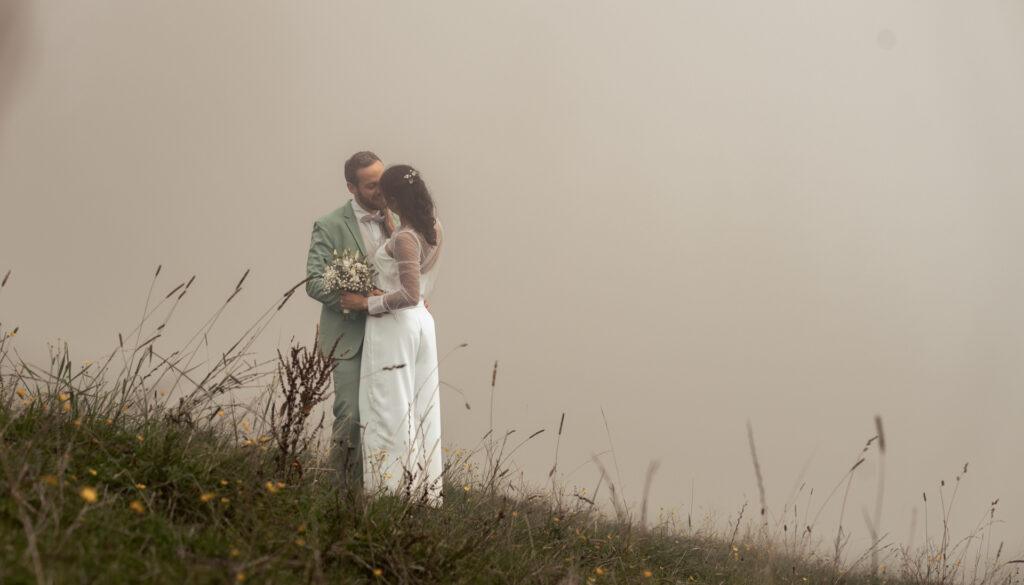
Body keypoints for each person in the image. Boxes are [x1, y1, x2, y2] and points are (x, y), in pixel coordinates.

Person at [340, 163, 444, 506]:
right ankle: (423, 488)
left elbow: (409, 293)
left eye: (386, 194)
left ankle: (390, 489)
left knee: (389, 404)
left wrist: (365, 303)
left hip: (395, 325)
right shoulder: (433, 229)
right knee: (421, 404)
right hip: (422, 325)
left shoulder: (404, 238)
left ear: (396, 198)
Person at [304, 150, 397, 491]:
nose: (380, 190)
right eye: (371, 185)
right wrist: (358, 302)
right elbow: (314, 282)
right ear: (351, 187)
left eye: (382, 181)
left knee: (387, 417)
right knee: (350, 415)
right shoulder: (328, 225)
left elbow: (407, 274)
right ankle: (338, 494)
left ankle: (380, 491)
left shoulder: (397, 222)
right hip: (348, 335)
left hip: (391, 334)